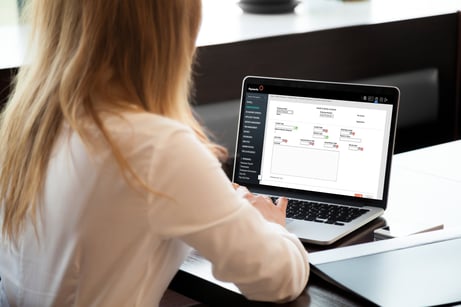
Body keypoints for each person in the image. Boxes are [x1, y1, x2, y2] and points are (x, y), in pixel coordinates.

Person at [0, 0, 309, 306]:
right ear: (170, 31)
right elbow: (276, 279)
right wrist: (269, 226)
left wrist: (212, 206)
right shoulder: (155, 147)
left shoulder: (26, 126)